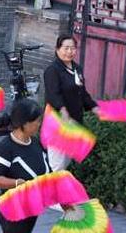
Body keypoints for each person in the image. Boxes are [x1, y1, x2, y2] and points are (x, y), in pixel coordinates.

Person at [0, 99, 51, 233]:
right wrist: (17, 183)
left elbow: (48, 172)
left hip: (31, 207)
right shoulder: (5, 148)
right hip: (13, 208)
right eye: (37, 121)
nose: (39, 124)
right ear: (25, 123)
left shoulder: (36, 143)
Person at [43, 34, 99, 171]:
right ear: (57, 49)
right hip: (58, 124)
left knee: (66, 162)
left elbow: (82, 93)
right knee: (57, 166)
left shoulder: (77, 69)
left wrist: (95, 108)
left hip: (74, 123)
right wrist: (63, 110)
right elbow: (53, 94)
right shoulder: (53, 71)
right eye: (66, 48)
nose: (70, 52)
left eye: (73, 48)